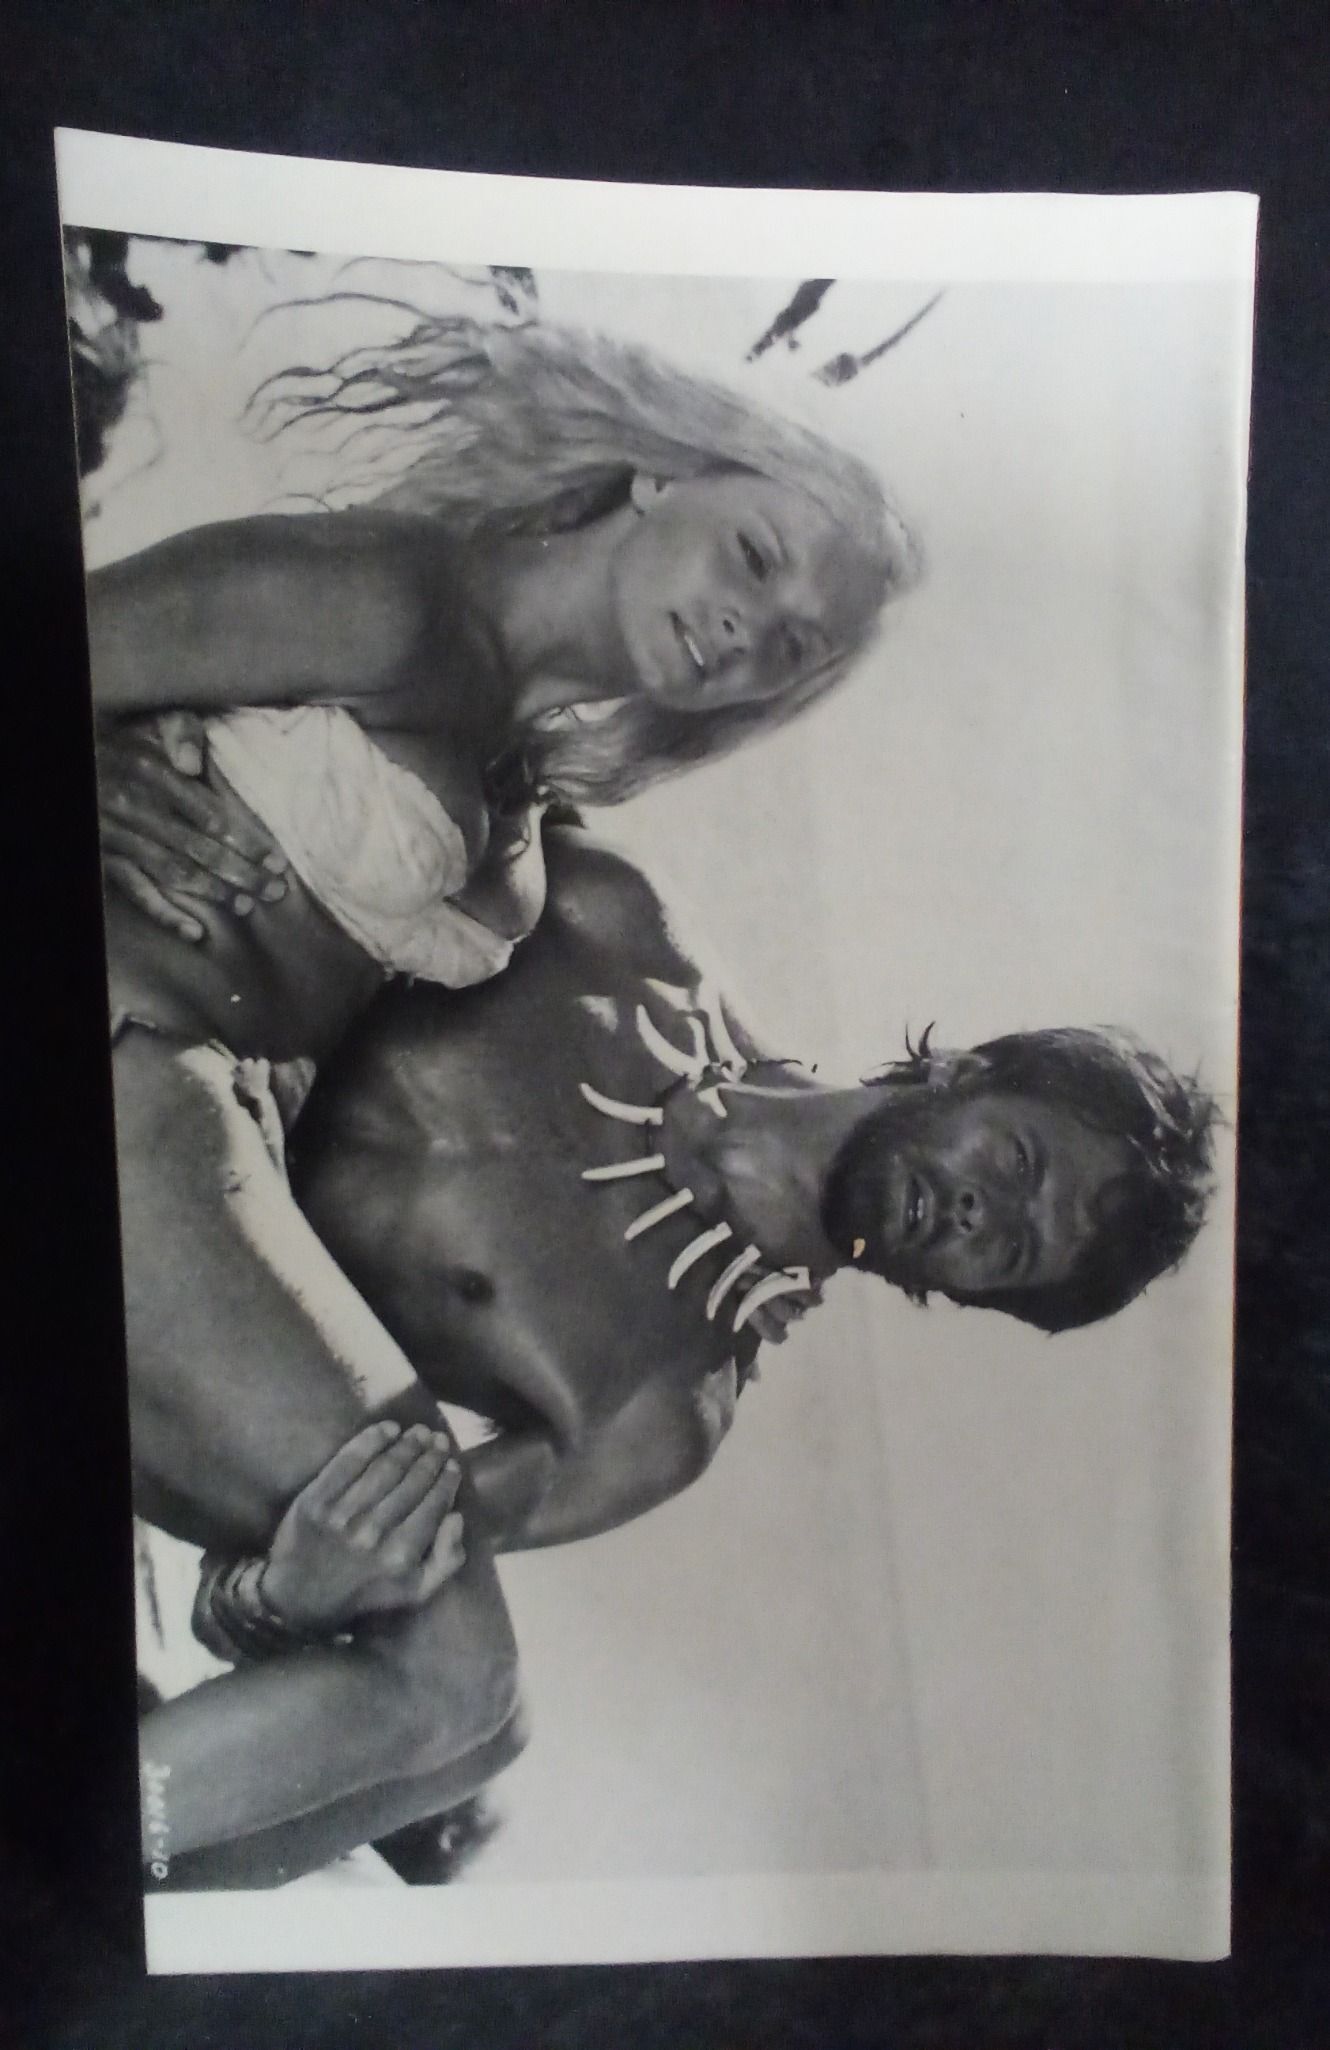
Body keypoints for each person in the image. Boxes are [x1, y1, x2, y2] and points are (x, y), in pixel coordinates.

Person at [85, 315, 915, 1873]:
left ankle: (109, 1885)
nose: (751, 629)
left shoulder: (525, 789)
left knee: (471, 1724)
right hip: (137, 1062)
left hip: (196, 1135)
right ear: (658, 474)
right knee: (451, 1678)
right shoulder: (394, 592)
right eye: (753, 558)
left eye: (795, 643)